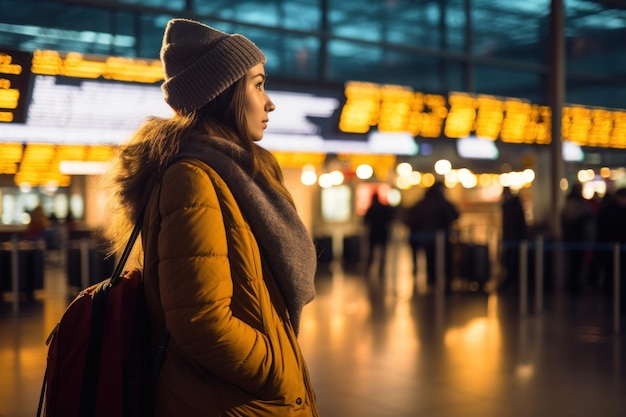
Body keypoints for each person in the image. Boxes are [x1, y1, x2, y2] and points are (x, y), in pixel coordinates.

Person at [102, 18, 319, 416]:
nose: (269, 102)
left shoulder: (233, 175)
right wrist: (276, 371)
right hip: (224, 400)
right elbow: (200, 319)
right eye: (257, 84)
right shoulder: (193, 179)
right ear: (224, 93)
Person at [406, 182, 459, 292]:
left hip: (427, 238)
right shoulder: (442, 203)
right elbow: (454, 215)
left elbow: (411, 218)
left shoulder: (423, 203)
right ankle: (446, 281)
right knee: (445, 261)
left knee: (430, 261)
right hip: (442, 238)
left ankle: (432, 281)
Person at [561, 183, 594, 294]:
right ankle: (575, 285)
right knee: (577, 264)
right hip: (579, 239)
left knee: (571, 264)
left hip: (570, 239)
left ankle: (571, 285)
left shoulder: (567, 204)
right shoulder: (582, 205)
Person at [498, 187, 527, 293]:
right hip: (511, 239)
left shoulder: (511, 207)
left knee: (513, 263)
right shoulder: (510, 206)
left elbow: (518, 224)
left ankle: (513, 284)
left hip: (513, 239)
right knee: (509, 263)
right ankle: (511, 283)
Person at [363, 191, 394, 278]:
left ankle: (368, 269)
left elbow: (366, 221)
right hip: (382, 232)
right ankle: (381, 270)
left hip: (374, 233)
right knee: (382, 253)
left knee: (372, 252)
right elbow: (390, 220)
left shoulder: (371, 208)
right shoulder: (383, 208)